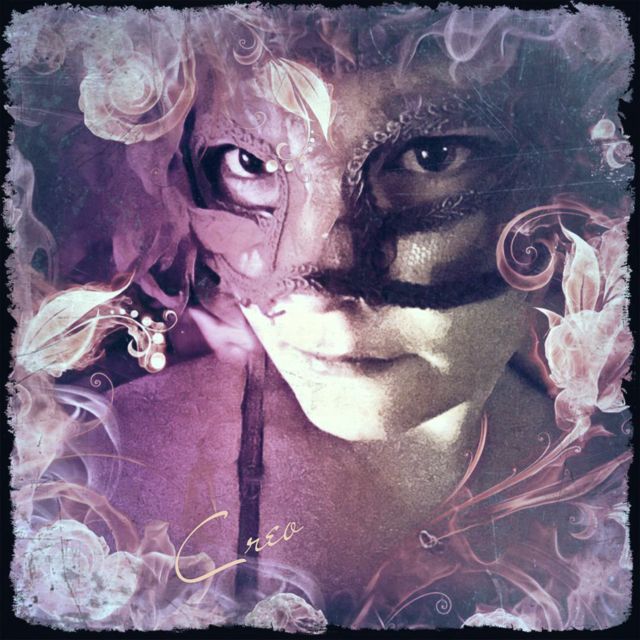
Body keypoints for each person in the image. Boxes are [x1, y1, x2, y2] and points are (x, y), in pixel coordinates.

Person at [8, 4, 632, 632]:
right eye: (248, 163)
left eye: (431, 155)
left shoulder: (605, 483)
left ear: (567, 184)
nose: (323, 279)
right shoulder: (92, 489)